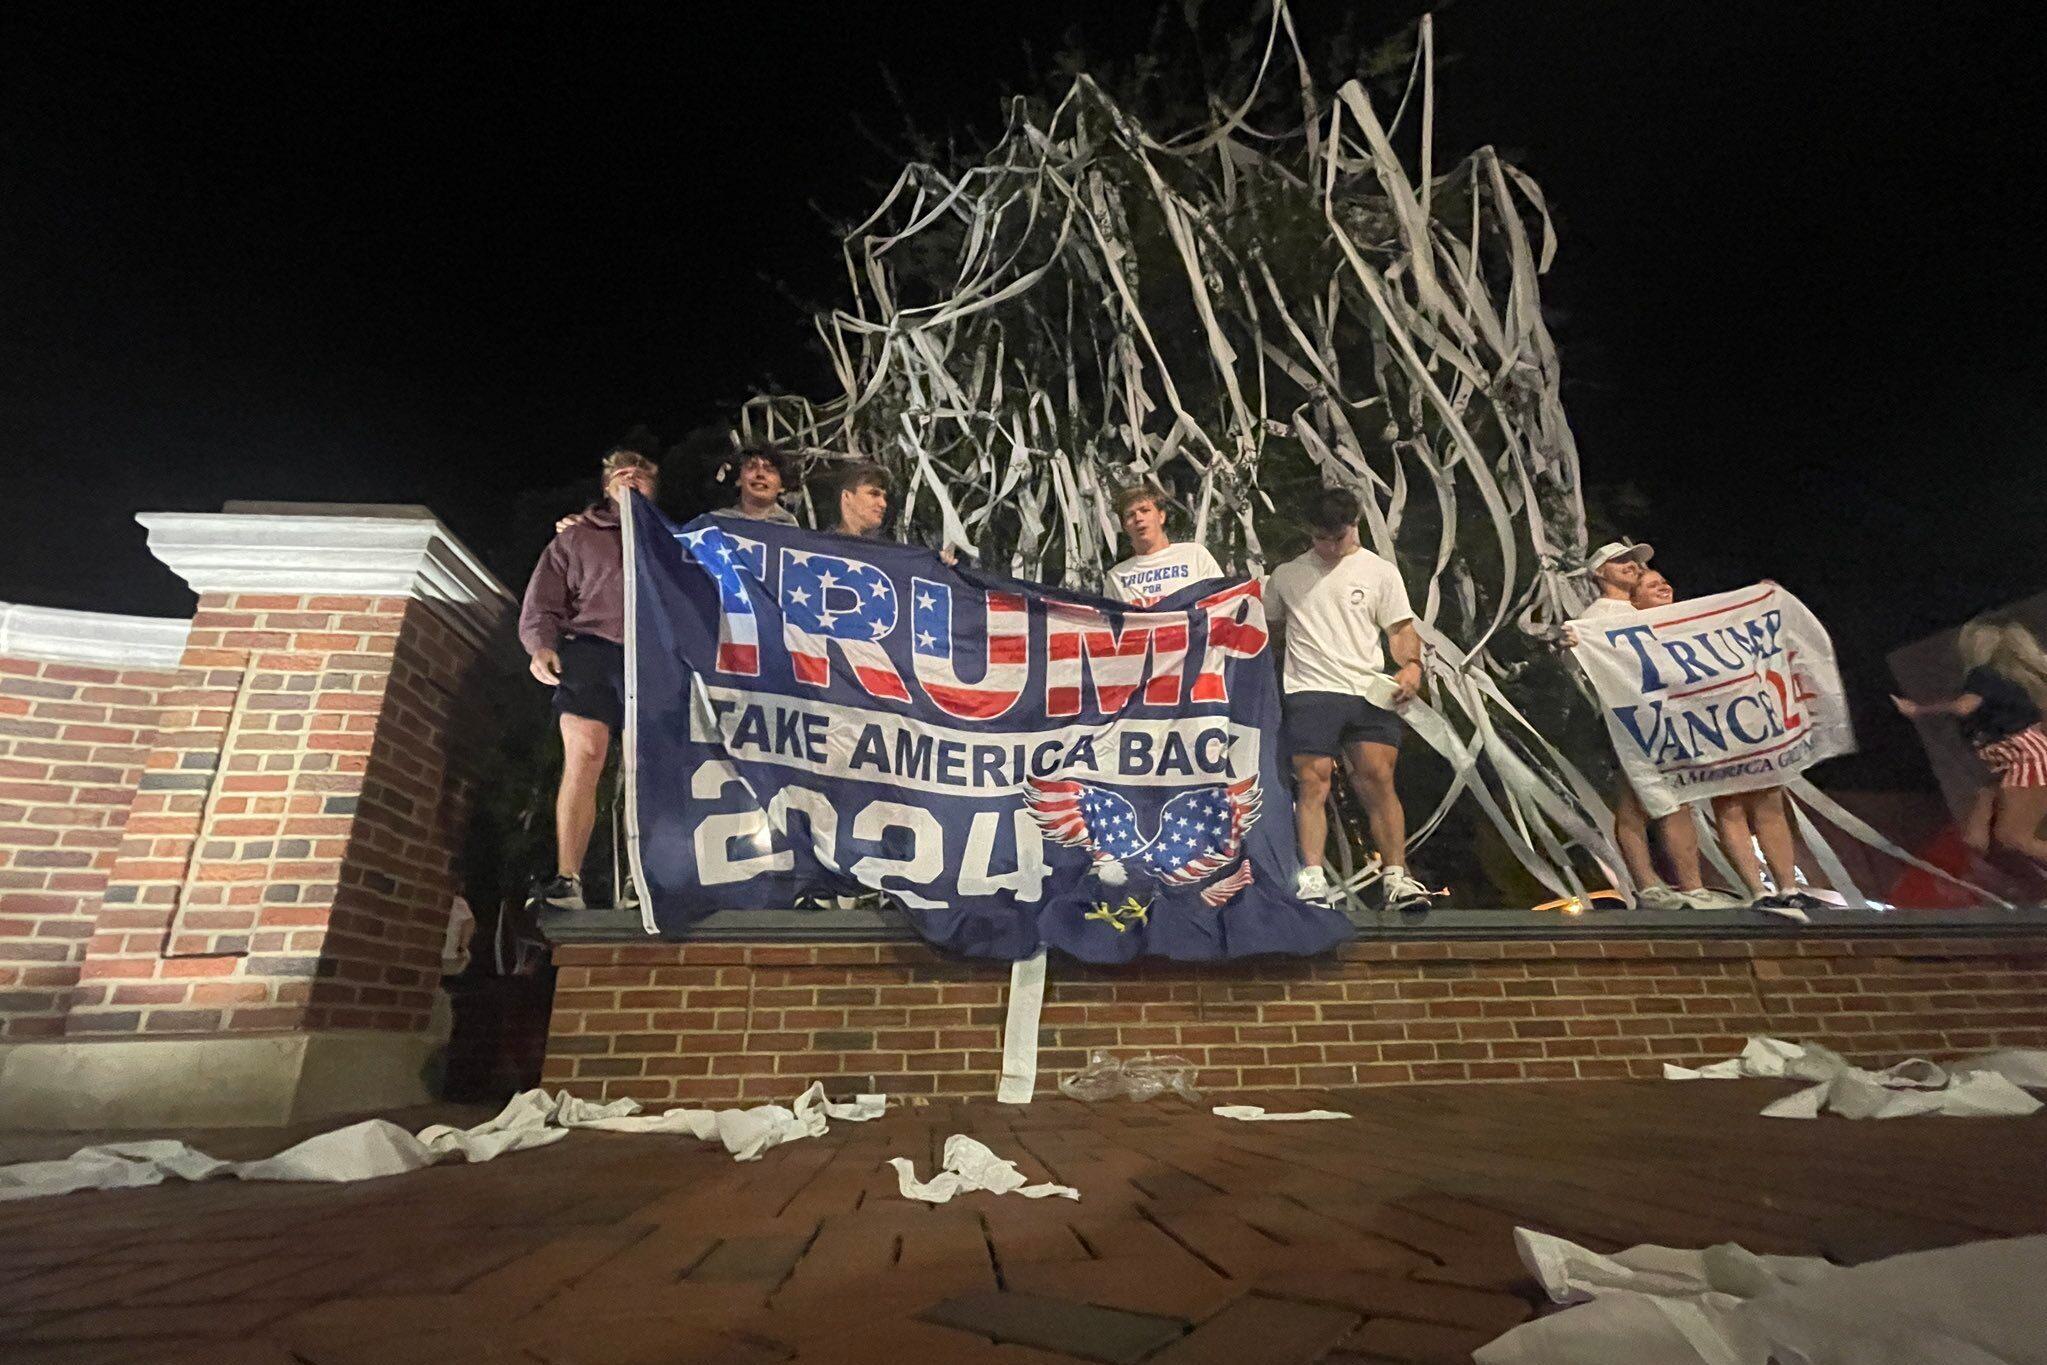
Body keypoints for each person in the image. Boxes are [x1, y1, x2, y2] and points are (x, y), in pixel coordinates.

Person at [1264, 488, 1432, 912]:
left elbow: (1399, 628)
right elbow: (1268, 632)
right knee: (1313, 779)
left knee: (1377, 778)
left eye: (1337, 537)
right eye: (1321, 538)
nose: (1330, 546)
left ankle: (1397, 877)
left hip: (1367, 688)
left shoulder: (1379, 571)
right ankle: (1313, 879)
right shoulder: (1286, 575)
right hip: (1311, 689)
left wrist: (1412, 666)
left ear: (1354, 525)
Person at [1631, 570, 1820, 917]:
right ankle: (1757, 890)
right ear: (1635, 599)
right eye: (1649, 584)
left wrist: (1764, 603)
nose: (1662, 585)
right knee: (1729, 804)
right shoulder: (1634, 631)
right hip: (1705, 727)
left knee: (1769, 801)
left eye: (1664, 580)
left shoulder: (1699, 617)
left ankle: (1789, 888)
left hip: (1746, 720)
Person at [518, 445, 658, 911]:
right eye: (622, 474)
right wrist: (540, 645)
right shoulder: (575, 539)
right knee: (586, 754)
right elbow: (543, 601)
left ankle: (646, 881)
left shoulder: (673, 539)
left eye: (640, 474)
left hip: (652, 659)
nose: (632, 479)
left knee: (648, 768)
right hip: (592, 652)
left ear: (652, 486)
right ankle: (568, 879)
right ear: (607, 487)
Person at [1569, 542, 1744, 911]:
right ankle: (1650, 884)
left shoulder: (1642, 610)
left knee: (1673, 799)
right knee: (1638, 800)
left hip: (1666, 716)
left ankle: (1688, 886)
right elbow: (1582, 664)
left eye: (1634, 560)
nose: (1630, 565)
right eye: (1619, 561)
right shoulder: (1596, 615)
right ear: (1600, 573)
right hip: (1628, 718)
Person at [1893, 616, 2047, 868]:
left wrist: (1917, 710)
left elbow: (1965, 707)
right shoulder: (2005, 680)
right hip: (2015, 761)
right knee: (1993, 836)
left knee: (2013, 836)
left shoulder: (1983, 674)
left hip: (2025, 758)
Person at [1106, 485, 1224, 606]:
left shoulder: (1195, 555)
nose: (1138, 518)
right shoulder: (1116, 577)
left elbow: (1222, 603)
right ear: (1124, 526)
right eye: (1130, 515)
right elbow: (1110, 621)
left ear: (1161, 516)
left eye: (1145, 510)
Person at [719, 443, 799, 524]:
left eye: (769, 469)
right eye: (751, 466)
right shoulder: (716, 523)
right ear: (738, 479)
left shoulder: (790, 528)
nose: (760, 473)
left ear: (782, 486)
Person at [827, 461, 892, 537]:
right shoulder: (820, 545)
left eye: (884, 497)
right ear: (847, 496)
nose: (883, 504)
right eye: (874, 494)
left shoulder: (887, 547)